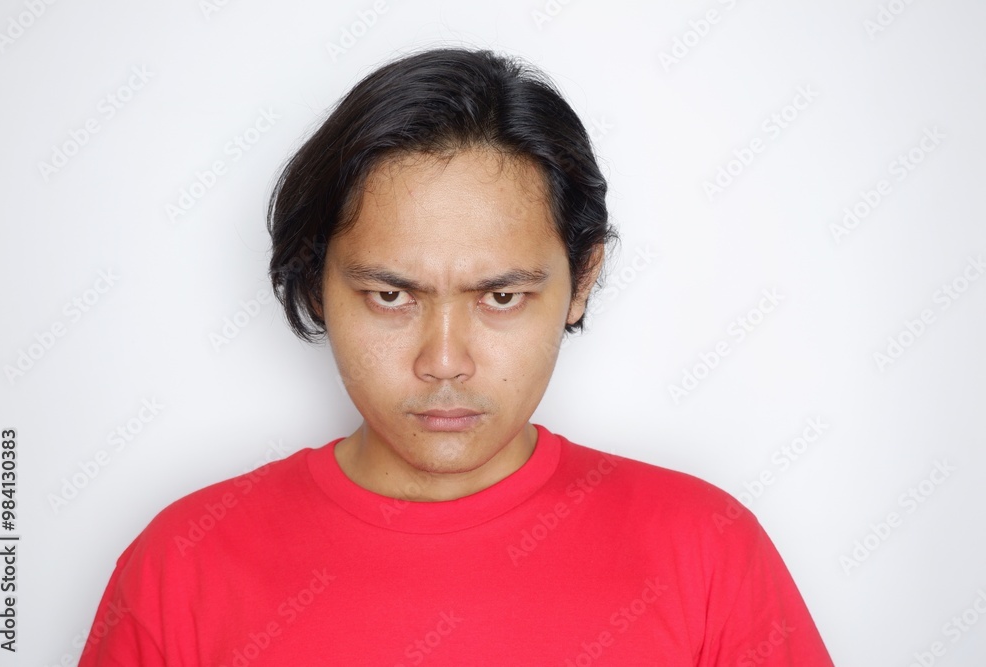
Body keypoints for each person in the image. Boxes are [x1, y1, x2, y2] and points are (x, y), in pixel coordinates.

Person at [80, 46, 835, 666]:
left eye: (500, 297)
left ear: (581, 282)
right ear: (315, 283)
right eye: (391, 296)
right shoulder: (182, 566)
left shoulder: (707, 553)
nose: (444, 361)